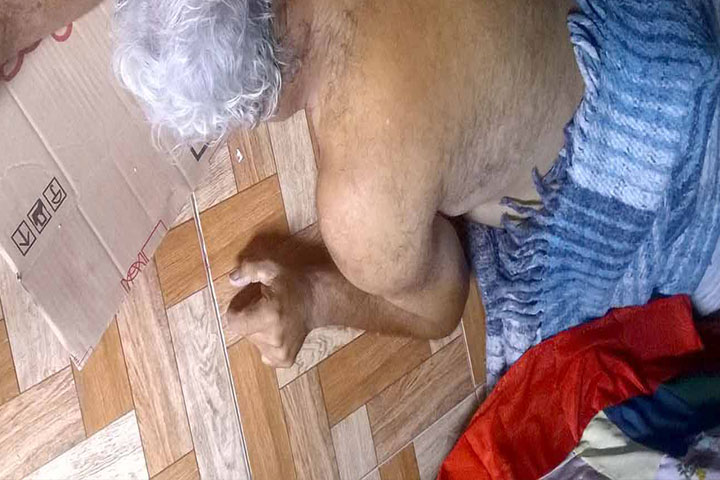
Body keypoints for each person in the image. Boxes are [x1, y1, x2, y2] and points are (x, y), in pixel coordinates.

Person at [4, 0, 719, 379]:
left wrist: (314, 298)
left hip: (668, 173)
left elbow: (441, 304)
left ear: (253, 109)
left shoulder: (362, 200)